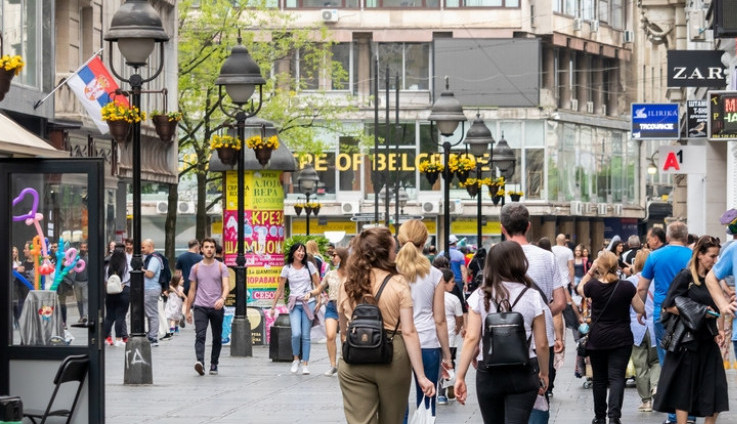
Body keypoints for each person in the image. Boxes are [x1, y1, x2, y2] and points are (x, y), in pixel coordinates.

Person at [337, 227, 435, 423]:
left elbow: (343, 326)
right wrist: (421, 376)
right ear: (385, 252)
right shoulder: (398, 283)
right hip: (392, 353)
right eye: (393, 248)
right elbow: (409, 332)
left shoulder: (347, 282)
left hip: (355, 353)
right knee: (392, 419)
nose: (396, 251)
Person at [454, 241, 550, 423]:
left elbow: (471, 338)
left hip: (489, 372)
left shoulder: (480, 296)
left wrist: (460, 376)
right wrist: (544, 373)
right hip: (524, 370)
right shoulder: (532, 296)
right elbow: (542, 343)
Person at [655, 236, 729, 424]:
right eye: (712, 256)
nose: (715, 260)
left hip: (708, 341)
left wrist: (720, 330)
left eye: (717, 256)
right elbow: (668, 305)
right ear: (699, 255)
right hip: (688, 342)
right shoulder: (686, 276)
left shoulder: (713, 279)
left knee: (715, 390)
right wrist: (700, 312)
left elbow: (718, 308)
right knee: (684, 390)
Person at [500, 203, 566, 406]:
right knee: (537, 400)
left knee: (507, 401)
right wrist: (541, 312)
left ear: (502, 228)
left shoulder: (496, 255)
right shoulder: (548, 257)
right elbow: (561, 301)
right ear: (528, 226)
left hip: (503, 337)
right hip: (540, 338)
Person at [577, 251, 645, 424]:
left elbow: (579, 289)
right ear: (617, 266)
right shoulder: (626, 287)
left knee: (599, 379)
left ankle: (599, 417)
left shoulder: (592, 286)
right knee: (616, 377)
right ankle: (614, 417)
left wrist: (591, 270)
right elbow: (640, 308)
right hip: (621, 338)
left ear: (599, 267)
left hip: (598, 338)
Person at [637, 221, 693, 424]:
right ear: (686, 237)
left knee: (668, 362)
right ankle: (690, 414)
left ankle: (673, 416)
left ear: (667, 237)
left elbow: (642, 288)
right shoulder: (692, 256)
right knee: (689, 362)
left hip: (663, 315)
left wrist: (641, 309)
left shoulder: (654, 256)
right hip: (688, 314)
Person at [395, 220, 452, 418]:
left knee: (397, 402)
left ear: (400, 240)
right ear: (425, 241)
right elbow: (440, 319)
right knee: (427, 401)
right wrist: (447, 355)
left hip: (398, 342)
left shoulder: (391, 272)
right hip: (427, 340)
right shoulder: (435, 274)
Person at [271, 242, 320, 375]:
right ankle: (295, 359)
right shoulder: (287, 268)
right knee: (296, 333)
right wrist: (273, 306)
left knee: (305, 335)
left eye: (303, 251)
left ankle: (305, 364)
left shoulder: (309, 266)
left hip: (308, 303)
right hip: (294, 304)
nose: (301, 253)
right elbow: (280, 287)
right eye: (298, 251)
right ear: (293, 253)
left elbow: (318, 284)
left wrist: (319, 300)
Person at [185, 238, 229, 376]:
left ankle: (214, 364)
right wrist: (187, 310)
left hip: (216, 306)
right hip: (200, 306)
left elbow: (226, 286)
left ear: (215, 249)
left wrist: (222, 299)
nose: (209, 249)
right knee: (200, 335)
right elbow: (192, 290)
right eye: (206, 247)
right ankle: (200, 363)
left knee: (217, 337)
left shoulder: (222, 267)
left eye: (211, 247)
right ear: (201, 249)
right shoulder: (196, 268)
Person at [305, 247, 348, 376]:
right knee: (330, 336)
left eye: (335, 255)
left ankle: (344, 363)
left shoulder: (352, 274)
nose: (332, 258)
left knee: (344, 337)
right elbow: (320, 288)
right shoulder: (330, 274)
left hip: (346, 308)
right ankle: (333, 365)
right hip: (332, 306)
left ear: (342, 257)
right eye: (332, 255)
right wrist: (310, 294)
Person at [625, 248, 660, 413]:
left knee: (640, 365)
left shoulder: (630, 281)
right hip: (655, 326)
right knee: (656, 361)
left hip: (636, 327)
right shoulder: (657, 280)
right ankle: (655, 386)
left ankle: (646, 401)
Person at [439, 267, 463, 402]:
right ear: (444, 282)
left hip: (434, 336)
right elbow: (459, 317)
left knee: (437, 364)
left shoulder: (431, 298)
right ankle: (446, 389)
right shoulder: (453, 299)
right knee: (449, 362)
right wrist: (458, 327)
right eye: (452, 282)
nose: (454, 284)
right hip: (450, 336)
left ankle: (440, 393)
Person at [103, 243, 130, 346]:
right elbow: (128, 278)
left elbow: (105, 280)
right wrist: (122, 285)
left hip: (110, 292)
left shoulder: (108, 267)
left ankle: (106, 337)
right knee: (120, 316)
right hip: (124, 292)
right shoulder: (126, 266)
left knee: (109, 316)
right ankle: (118, 339)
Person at [141, 239, 163, 346]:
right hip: (149, 289)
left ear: (150, 246)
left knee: (152, 314)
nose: (142, 249)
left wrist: (140, 269)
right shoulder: (150, 258)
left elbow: (150, 274)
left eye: (143, 247)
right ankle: (151, 335)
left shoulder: (154, 259)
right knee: (150, 313)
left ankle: (153, 337)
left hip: (151, 289)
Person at [72, 241, 89, 324]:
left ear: (87, 248)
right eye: (82, 247)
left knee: (85, 299)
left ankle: (85, 316)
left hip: (85, 282)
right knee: (79, 300)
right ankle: (81, 316)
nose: (83, 249)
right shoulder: (77, 258)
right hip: (76, 281)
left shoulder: (88, 258)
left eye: (84, 247)